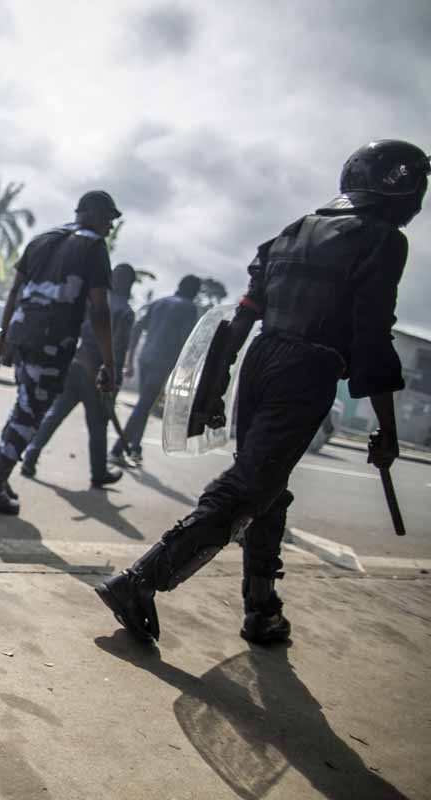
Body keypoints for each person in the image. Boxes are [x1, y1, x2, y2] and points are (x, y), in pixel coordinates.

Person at [97, 140, 427, 646]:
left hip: (261, 359)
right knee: (250, 486)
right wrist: (386, 425)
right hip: (309, 367)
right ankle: (141, 579)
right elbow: (372, 334)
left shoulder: (291, 232)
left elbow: (243, 316)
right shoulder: (382, 240)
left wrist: (216, 385)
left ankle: (262, 610)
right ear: (399, 184)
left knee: (268, 490)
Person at [0, 191, 121, 515]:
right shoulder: (94, 247)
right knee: (30, 413)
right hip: (51, 343)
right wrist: (109, 363)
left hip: (21, 335)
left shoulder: (42, 239)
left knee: (24, 406)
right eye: (109, 219)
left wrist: (2, 338)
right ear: (93, 214)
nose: (110, 227)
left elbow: (15, 290)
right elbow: (99, 309)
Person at [20, 262, 137, 488]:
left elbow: (76, 328)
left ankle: (30, 456)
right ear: (130, 285)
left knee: (55, 414)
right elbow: (119, 349)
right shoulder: (125, 312)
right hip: (100, 375)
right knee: (98, 426)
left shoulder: (96, 300)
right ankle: (99, 473)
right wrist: (114, 382)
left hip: (77, 366)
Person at [110, 274, 201, 466]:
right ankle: (118, 449)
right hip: (163, 362)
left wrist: (130, 358)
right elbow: (187, 341)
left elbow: (137, 327)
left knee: (145, 405)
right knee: (143, 406)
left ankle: (135, 448)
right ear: (194, 292)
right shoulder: (189, 308)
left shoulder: (160, 302)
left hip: (145, 358)